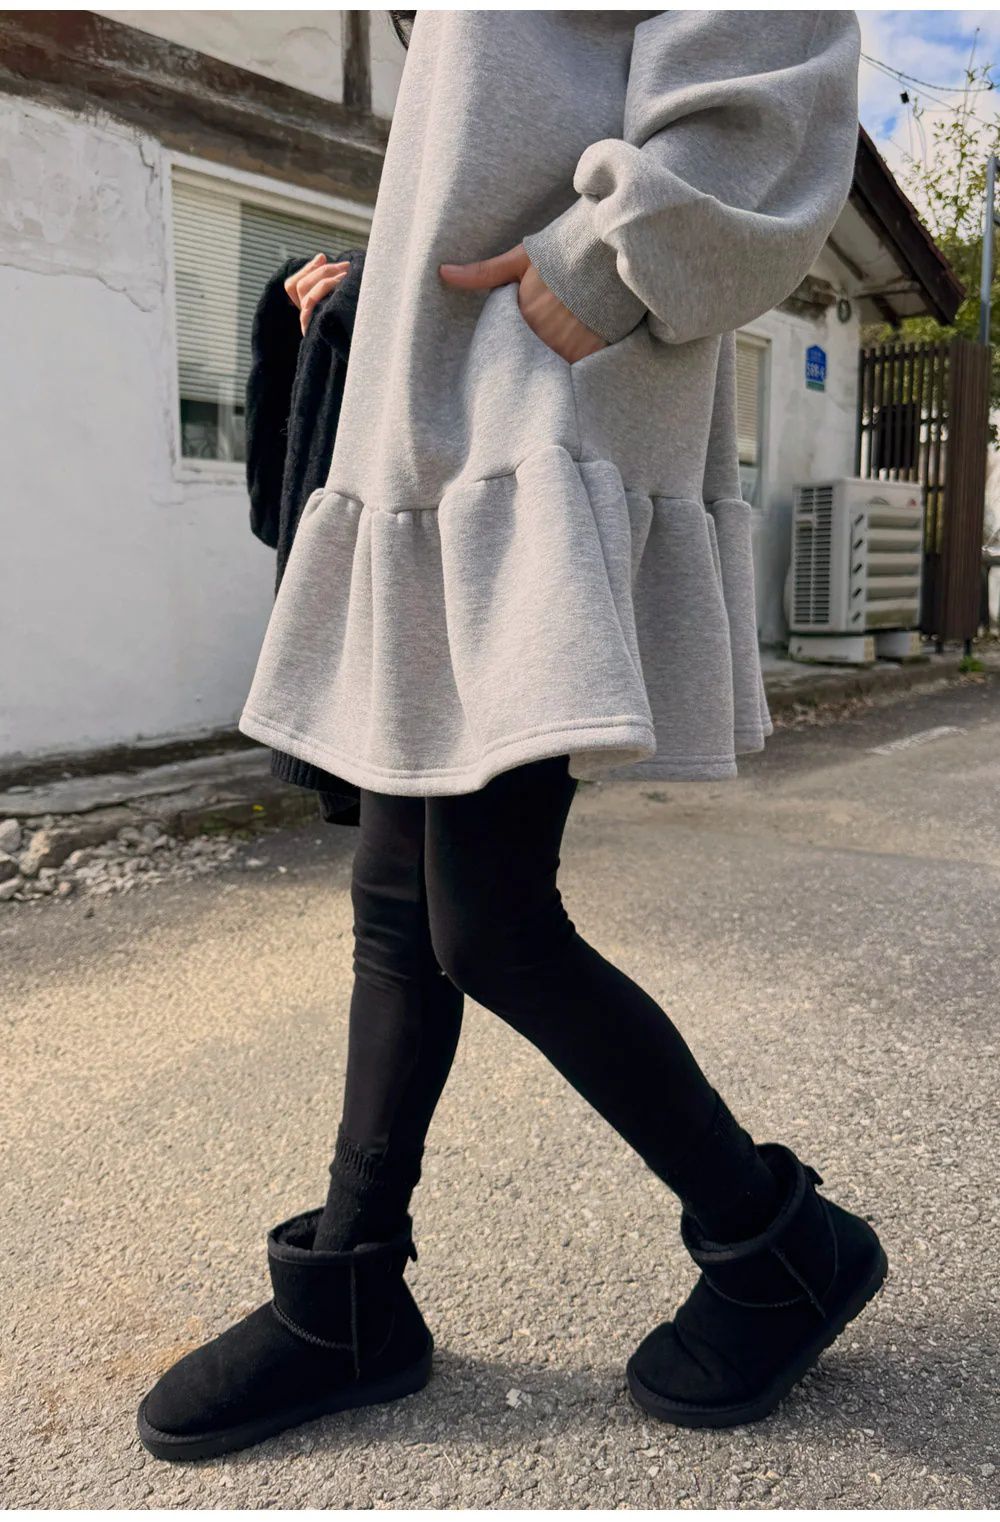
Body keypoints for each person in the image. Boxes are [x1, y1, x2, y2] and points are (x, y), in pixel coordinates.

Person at [138, 10, 881, 1462]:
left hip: (540, 414)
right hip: (433, 424)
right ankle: (352, 1290)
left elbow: (780, 60)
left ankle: (780, 1243)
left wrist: (607, 260)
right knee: (395, 905)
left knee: (491, 921)